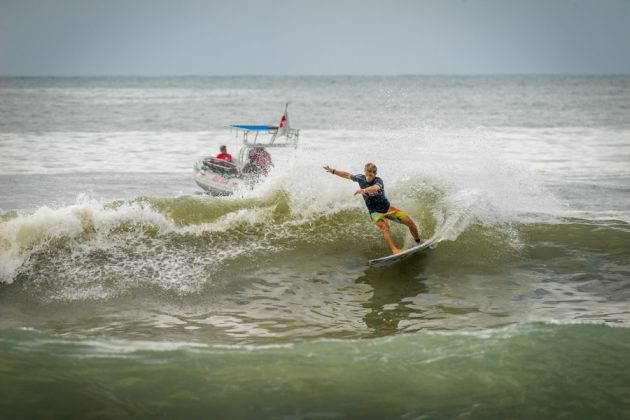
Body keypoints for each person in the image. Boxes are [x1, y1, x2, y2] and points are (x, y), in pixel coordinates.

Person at [323, 162, 422, 255]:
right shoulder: (360, 178)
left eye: (370, 175)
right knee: (385, 227)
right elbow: (348, 175)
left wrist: (364, 190)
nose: (368, 177)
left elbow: (375, 188)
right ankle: (395, 250)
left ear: (375, 174)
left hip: (387, 209)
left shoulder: (378, 181)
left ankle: (418, 241)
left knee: (410, 222)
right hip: (375, 213)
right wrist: (333, 171)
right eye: (366, 174)